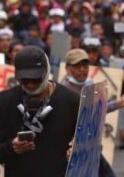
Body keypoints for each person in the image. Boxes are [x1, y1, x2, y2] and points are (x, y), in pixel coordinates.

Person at [0, 46, 80, 176]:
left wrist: (78, 151)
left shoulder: (72, 101)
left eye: (36, 79)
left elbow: (92, 146)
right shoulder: (4, 102)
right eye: (24, 80)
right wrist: (11, 148)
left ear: (47, 71)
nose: (31, 85)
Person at [61, 48, 124, 177]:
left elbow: (96, 110)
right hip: (73, 149)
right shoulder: (64, 91)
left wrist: (119, 103)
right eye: (77, 66)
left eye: (85, 65)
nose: (82, 69)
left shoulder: (89, 86)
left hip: (90, 145)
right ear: (68, 68)